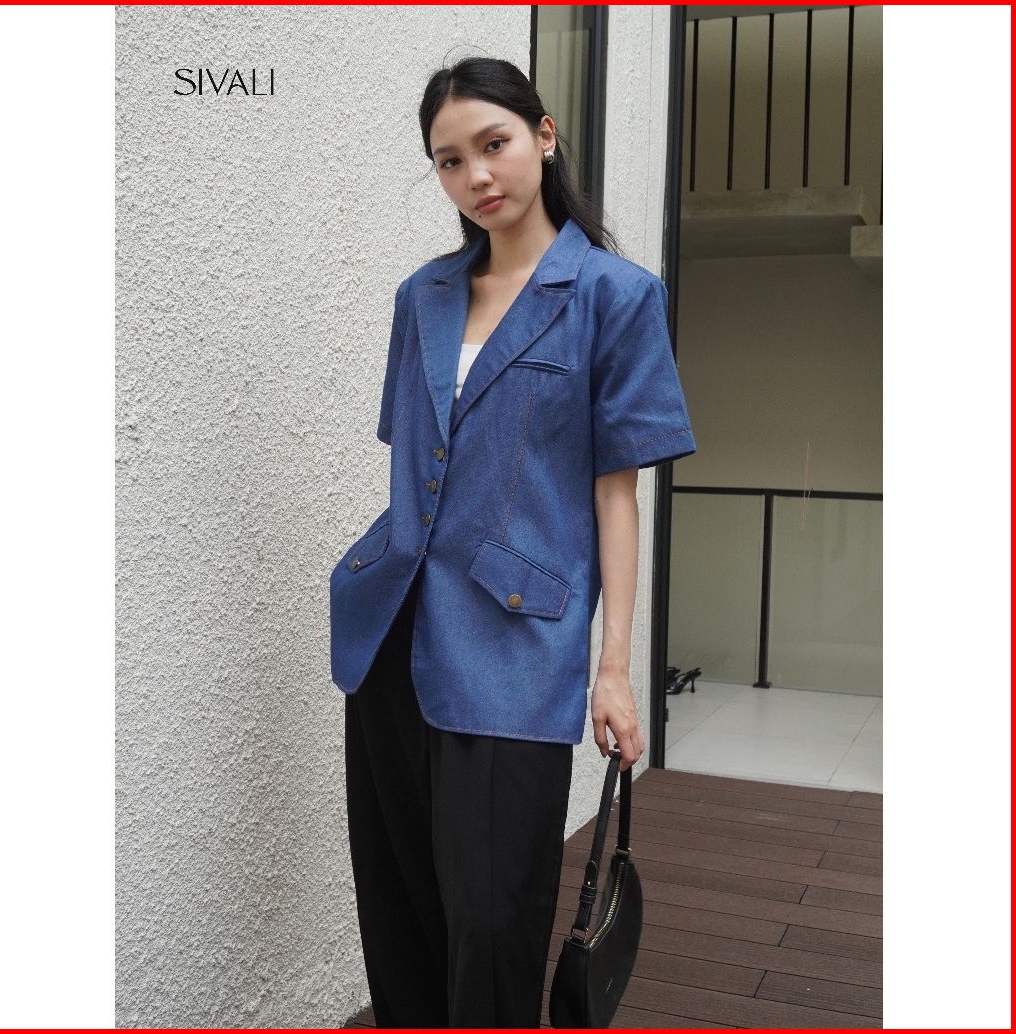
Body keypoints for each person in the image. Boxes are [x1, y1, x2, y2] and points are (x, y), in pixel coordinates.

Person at [329, 56, 695, 1029]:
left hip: (515, 641)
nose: (475, 175)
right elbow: (421, 466)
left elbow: (615, 494)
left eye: (492, 144)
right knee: (402, 909)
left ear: (543, 134)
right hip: (391, 635)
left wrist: (612, 667)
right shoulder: (422, 296)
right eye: (449, 160)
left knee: (493, 918)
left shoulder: (615, 294)